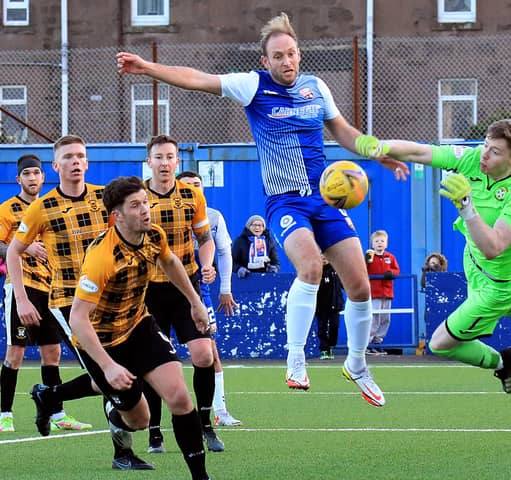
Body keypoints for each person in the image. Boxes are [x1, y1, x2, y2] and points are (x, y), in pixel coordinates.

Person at [116, 12, 410, 407]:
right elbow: (198, 79)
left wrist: (381, 154)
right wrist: (147, 67)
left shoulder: (316, 87)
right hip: (285, 200)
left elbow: (345, 132)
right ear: (265, 61)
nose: (287, 62)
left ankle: (356, 364)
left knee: (359, 286)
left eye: (292, 54)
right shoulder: (253, 86)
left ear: (299, 54)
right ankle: (295, 357)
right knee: (310, 266)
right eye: (278, 56)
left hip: (324, 198)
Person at [356, 119, 511, 393]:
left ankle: (503, 361)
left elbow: (494, 246)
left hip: (498, 284)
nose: (485, 154)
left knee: (439, 343)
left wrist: (466, 206)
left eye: (495, 151)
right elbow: (421, 152)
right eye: (485, 145)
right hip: (474, 262)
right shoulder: (475, 157)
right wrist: (381, 146)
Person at [6, 135, 151, 469]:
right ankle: (122, 453)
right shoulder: (41, 207)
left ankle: (50, 395)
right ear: (55, 166)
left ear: (87, 163)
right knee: (108, 373)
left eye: (80, 156)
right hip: (67, 303)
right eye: (67, 157)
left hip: (112, 302)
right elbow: (14, 250)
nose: (75, 161)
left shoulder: (105, 199)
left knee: (116, 373)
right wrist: (23, 299)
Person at [68, 175, 211, 480]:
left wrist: (195, 302)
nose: (146, 210)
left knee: (180, 398)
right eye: (136, 205)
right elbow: (78, 319)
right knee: (139, 421)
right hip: (101, 342)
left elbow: (171, 263)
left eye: (145, 202)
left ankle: (201, 476)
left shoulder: (153, 235)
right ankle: (108, 408)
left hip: (138, 326)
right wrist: (107, 367)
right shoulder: (101, 257)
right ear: (116, 216)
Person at [140, 135, 223, 453]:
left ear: (177, 162)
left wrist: (207, 264)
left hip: (186, 287)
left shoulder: (191, 195)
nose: (164, 163)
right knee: (154, 363)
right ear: (149, 161)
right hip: (147, 290)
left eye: (169, 157)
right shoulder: (137, 196)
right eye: (158, 157)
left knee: (204, 355)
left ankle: (206, 425)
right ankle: (154, 431)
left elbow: (205, 238)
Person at [0, 154, 90, 433]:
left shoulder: (49, 207)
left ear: (43, 176)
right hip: (21, 286)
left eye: (36, 173)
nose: (32, 178)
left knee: (52, 351)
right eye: (26, 174)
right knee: (16, 351)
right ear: (18, 179)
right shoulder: (7, 209)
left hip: (52, 288)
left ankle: (57, 412)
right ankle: (5, 414)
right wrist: (25, 247)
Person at [176, 171, 242, 426]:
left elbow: (224, 251)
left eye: (197, 184)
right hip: (160, 289)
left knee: (210, 350)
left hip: (198, 292)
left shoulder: (212, 217)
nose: (193, 188)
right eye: (188, 185)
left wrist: (225, 288)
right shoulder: (164, 212)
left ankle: (219, 410)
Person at [365, 230, 400, 355]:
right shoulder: (370, 256)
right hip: (374, 292)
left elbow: (396, 270)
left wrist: (391, 273)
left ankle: (378, 342)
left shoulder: (390, 257)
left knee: (386, 318)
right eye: (377, 241)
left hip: (387, 292)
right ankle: (367, 343)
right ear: (372, 244)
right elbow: (364, 269)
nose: (379, 243)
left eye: (382, 241)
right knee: (374, 318)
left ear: (386, 244)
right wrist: (367, 260)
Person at [315, 255, 344, 360]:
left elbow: (343, 284)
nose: (324, 258)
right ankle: (324, 349)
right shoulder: (315, 270)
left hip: (334, 304)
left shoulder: (336, 269)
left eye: (326, 255)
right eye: (321, 255)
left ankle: (331, 346)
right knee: (322, 328)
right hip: (320, 305)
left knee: (334, 326)